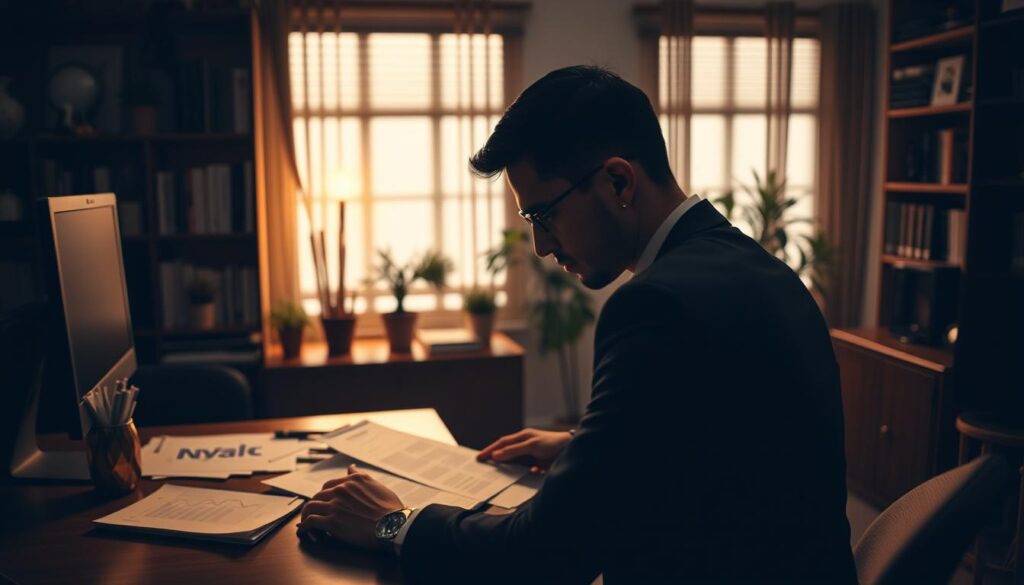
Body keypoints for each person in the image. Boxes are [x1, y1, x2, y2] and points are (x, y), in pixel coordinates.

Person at [296, 65, 858, 584]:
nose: (540, 246)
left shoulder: (656, 305)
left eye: (543, 214)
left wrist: (395, 524)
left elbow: (547, 556)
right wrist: (591, 448)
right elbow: (734, 446)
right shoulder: (758, 269)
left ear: (618, 182)